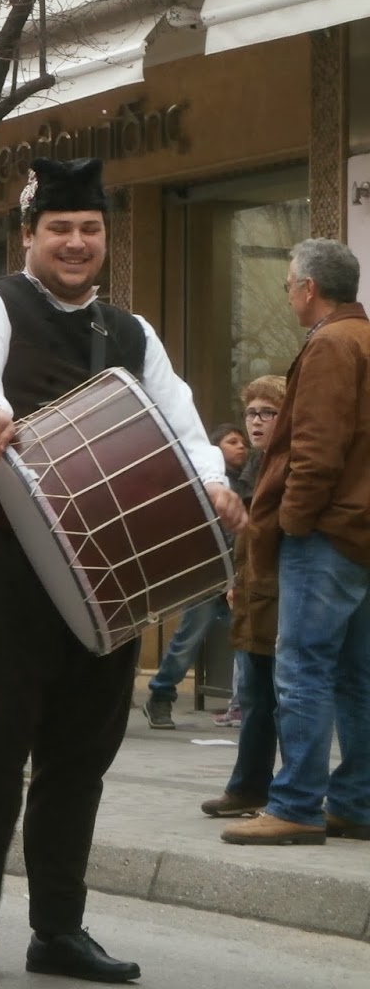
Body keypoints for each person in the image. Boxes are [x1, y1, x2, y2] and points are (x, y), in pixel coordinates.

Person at [0, 158, 244, 982]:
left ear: (106, 237)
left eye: (90, 229)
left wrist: (213, 483)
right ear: (28, 235)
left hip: (107, 565)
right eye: (60, 229)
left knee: (80, 751)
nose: (75, 243)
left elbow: (180, 423)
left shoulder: (132, 333)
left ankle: (58, 930)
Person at [224, 239, 370, 846]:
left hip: (326, 533)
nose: (287, 294)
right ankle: (356, 803)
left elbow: (316, 449)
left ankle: (296, 804)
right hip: (359, 531)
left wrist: (294, 522)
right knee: (356, 676)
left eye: (288, 285)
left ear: (309, 288)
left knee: (302, 667)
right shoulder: (362, 338)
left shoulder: (331, 344)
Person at [202, 375, 285, 818]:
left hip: (283, 594)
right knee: (255, 696)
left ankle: (286, 794)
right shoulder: (253, 466)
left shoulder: (287, 464)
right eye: (251, 412)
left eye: (268, 412)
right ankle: (249, 787)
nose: (256, 421)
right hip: (254, 593)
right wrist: (234, 580)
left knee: (284, 697)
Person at [140, 422, 247, 730]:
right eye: (232, 441)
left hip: (239, 576)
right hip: (209, 576)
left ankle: (243, 704)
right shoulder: (204, 482)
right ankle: (161, 697)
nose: (241, 446)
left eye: (242, 441)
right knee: (188, 640)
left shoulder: (250, 479)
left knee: (247, 642)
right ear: (215, 449)